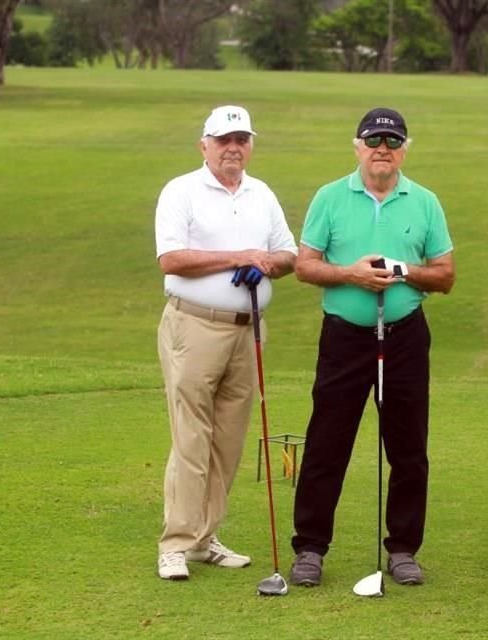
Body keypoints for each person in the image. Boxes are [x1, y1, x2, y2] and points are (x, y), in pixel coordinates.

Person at [288, 107, 455, 587]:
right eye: (374, 140)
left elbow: (445, 275)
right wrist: (351, 274)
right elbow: (305, 266)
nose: (383, 149)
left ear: (404, 149)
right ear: (357, 145)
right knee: (327, 442)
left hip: (404, 334)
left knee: (407, 447)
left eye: (392, 142)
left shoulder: (423, 201)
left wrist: (402, 271)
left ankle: (403, 548)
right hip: (344, 337)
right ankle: (311, 548)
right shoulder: (330, 197)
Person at [153, 105, 298, 580]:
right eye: (223, 140)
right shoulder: (182, 191)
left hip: (248, 327)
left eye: (241, 139)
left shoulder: (261, 194)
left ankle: (204, 537)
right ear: (204, 145)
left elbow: (289, 252)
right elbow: (171, 259)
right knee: (192, 437)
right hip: (195, 325)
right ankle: (175, 543)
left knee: (228, 441)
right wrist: (240, 255)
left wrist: (268, 264)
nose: (233, 148)